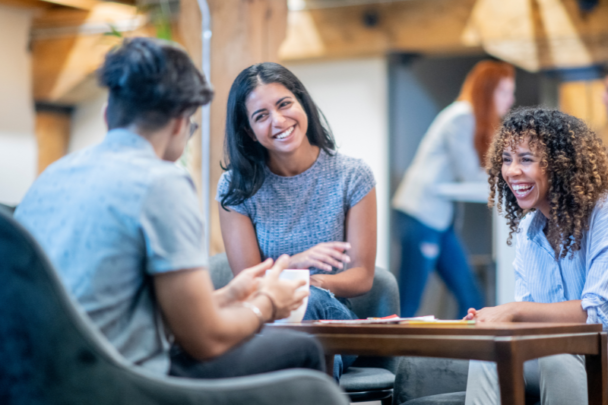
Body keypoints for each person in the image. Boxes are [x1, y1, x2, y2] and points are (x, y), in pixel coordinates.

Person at [14, 38, 325, 379]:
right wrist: (267, 304)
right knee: (303, 349)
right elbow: (206, 340)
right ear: (180, 124)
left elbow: (120, 311)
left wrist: (228, 296)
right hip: (116, 384)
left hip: (33, 381)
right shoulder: (161, 182)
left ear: (107, 115)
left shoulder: (51, 176)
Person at [216, 62, 377, 379]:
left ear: (302, 103)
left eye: (284, 104)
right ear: (249, 131)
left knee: (310, 301)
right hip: (266, 318)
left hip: (332, 319)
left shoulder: (352, 176)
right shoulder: (237, 186)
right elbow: (248, 282)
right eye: (261, 116)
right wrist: (297, 263)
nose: (278, 121)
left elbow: (362, 276)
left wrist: (305, 283)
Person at [464, 107, 608, 405]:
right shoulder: (529, 230)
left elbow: (597, 315)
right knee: (488, 353)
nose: (512, 171)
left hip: (599, 356)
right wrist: (496, 320)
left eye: (526, 159)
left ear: (561, 165)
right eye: (506, 159)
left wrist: (514, 311)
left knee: (556, 356)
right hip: (557, 355)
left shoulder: (602, 215)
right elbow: (529, 320)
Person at [392, 60, 516, 318]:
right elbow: (469, 172)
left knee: (471, 297)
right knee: (409, 302)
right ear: (487, 91)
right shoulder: (461, 116)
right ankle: (391, 358)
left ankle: (467, 358)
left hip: (440, 219)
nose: (510, 100)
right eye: (504, 92)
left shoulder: (471, 119)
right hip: (421, 214)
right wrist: (514, 178)